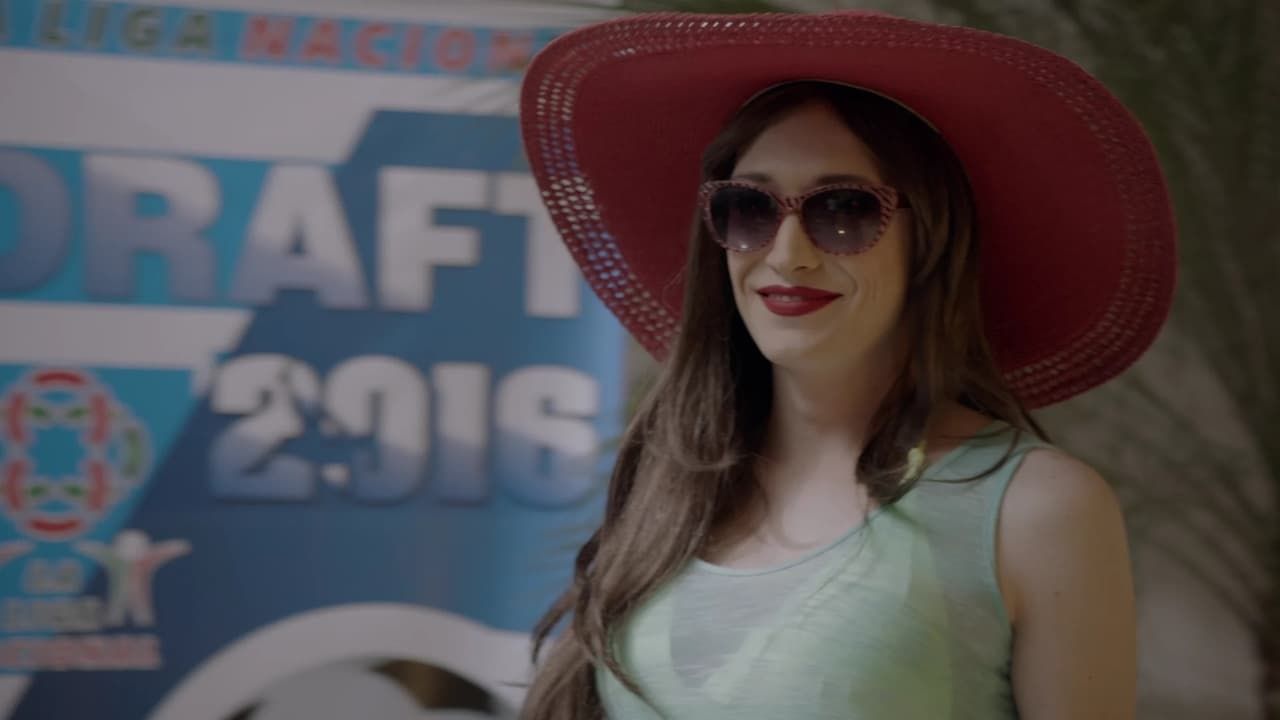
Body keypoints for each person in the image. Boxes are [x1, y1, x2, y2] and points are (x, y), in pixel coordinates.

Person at [516, 10, 1176, 720]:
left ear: (934, 241)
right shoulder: (672, 486)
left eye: (843, 210)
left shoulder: (1037, 509)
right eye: (749, 209)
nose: (788, 253)